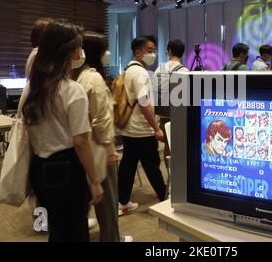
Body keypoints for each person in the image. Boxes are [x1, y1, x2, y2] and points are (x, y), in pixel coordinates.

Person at [22, 19, 103, 242]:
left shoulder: (34, 86)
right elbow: (81, 141)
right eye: (78, 46)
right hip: (67, 169)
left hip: (39, 168)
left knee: (58, 228)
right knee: (74, 232)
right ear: (67, 50)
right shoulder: (72, 90)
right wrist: (95, 181)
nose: (81, 51)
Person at [72, 32, 132, 242]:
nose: (108, 53)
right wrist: (110, 150)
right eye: (104, 48)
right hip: (99, 148)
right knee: (108, 203)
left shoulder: (78, 76)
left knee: (99, 201)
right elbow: (102, 119)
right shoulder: (94, 78)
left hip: (86, 147)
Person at [118, 37, 166, 215]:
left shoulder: (129, 70)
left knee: (128, 166)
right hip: (141, 128)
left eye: (154, 50)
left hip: (129, 128)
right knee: (152, 165)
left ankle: (122, 202)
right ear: (138, 52)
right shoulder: (140, 73)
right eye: (150, 50)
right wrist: (156, 127)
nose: (153, 54)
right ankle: (164, 198)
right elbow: (144, 101)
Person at [154, 39, 188, 163]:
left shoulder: (159, 69)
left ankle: (169, 172)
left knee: (168, 145)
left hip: (163, 114)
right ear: (182, 53)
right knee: (179, 146)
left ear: (169, 51)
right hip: (178, 115)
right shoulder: (184, 71)